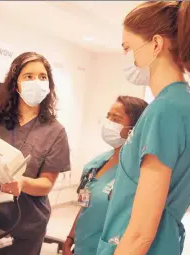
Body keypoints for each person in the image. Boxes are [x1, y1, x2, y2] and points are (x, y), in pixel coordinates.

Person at [96, 2, 190, 255]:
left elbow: (140, 233)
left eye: (127, 48)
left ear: (155, 44)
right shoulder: (182, 105)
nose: (127, 57)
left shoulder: (166, 110)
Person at [0, 52, 71, 255]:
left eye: (43, 77)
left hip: (24, 227)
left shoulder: (55, 131)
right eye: (28, 76)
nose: (37, 82)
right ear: (15, 84)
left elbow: (46, 184)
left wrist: (23, 183)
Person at [63, 96, 148, 255]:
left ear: (135, 128)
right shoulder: (96, 164)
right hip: (82, 247)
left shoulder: (138, 172)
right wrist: (70, 237)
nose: (108, 123)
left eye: (116, 119)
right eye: (108, 117)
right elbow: (85, 205)